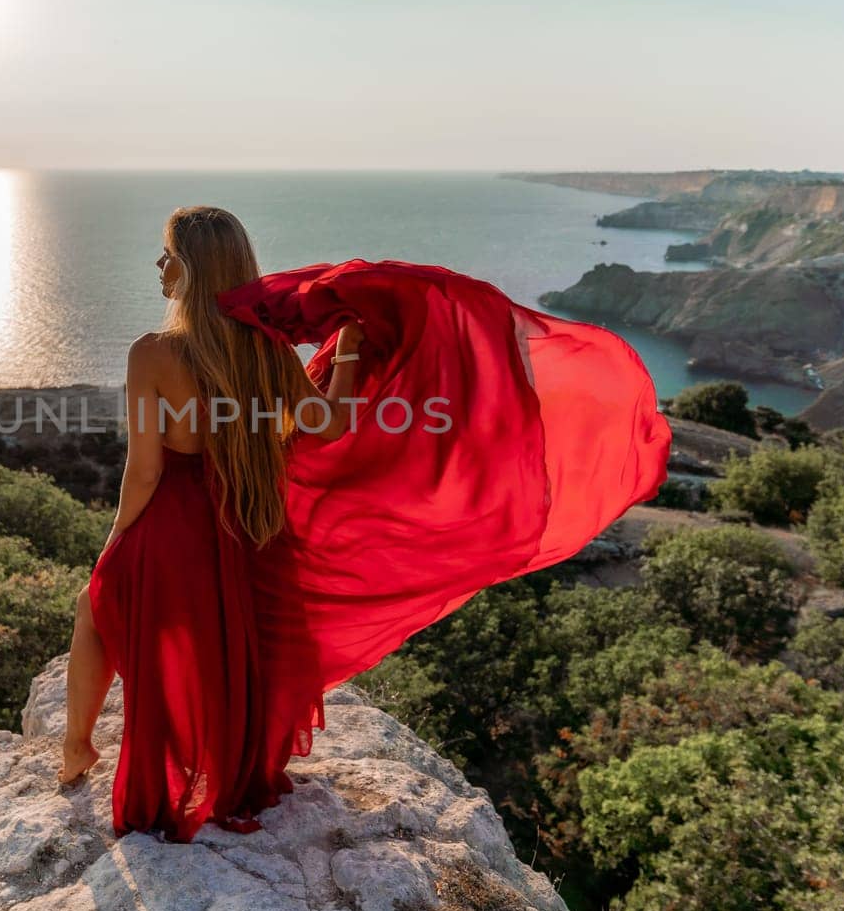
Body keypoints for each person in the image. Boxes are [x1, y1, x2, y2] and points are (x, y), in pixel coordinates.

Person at [56, 205, 673, 844]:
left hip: (176, 521)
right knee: (229, 643)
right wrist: (347, 353)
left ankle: (78, 748)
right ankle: (217, 767)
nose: (159, 267)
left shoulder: (154, 353)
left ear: (193, 268)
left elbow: (145, 472)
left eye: (168, 256)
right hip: (246, 524)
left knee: (96, 605)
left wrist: (118, 541)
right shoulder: (265, 348)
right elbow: (325, 423)